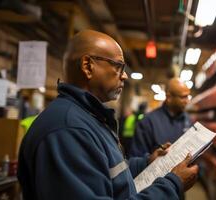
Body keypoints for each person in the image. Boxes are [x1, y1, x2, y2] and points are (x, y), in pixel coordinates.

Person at [17, 30, 198, 200]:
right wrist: (172, 184)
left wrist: (147, 163)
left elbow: (110, 172)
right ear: (88, 66)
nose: (125, 76)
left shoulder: (90, 117)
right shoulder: (68, 130)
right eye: (119, 66)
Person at [129, 78, 192, 157]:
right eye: (183, 97)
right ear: (169, 97)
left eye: (188, 96)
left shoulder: (187, 120)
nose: (187, 101)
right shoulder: (147, 123)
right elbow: (136, 159)